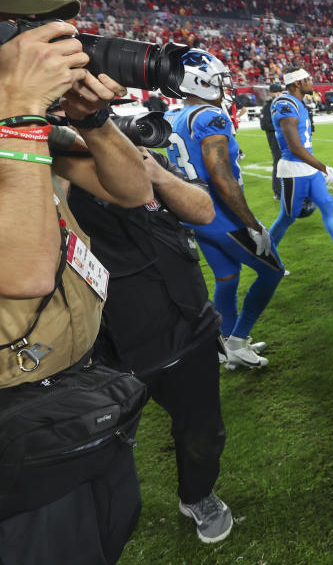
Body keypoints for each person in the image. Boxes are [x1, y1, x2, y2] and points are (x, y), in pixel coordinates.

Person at [0, 0, 152, 564]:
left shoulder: (22, 121)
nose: (33, 40)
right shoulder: (15, 119)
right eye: (13, 27)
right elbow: (26, 273)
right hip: (16, 424)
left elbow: (134, 189)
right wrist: (16, 116)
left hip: (80, 388)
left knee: (104, 536)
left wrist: (93, 120)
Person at [68, 146, 233, 544]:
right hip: (106, 343)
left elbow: (203, 210)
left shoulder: (141, 157)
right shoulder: (54, 178)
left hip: (186, 327)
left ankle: (197, 495)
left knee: (202, 429)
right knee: (97, 442)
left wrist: (154, 172)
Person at [164, 50, 278, 368]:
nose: (223, 86)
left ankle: (223, 345)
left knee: (227, 277)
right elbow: (222, 176)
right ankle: (238, 341)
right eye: (217, 80)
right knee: (272, 272)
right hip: (220, 215)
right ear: (199, 82)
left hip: (193, 213)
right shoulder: (210, 117)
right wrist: (252, 224)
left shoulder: (173, 116)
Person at [267, 66, 333, 263]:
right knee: (287, 217)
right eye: (308, 79)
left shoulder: (297, 102)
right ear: (297, 83)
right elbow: (295, 147)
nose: (312, 82)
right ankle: (267, 260)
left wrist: (317, 168)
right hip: (294, 170)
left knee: (328, 205)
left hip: (308, 169)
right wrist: (323, 167)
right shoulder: (285, 104)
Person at [261, 82, 284, 199]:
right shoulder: (267, 106)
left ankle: (289, 189)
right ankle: (278, 192)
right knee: (278, 163)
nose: (278, 94)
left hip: (286, 139)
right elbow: (264, 125)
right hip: (275, 140)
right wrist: (280, 126)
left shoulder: (283, 104)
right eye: (275, 92)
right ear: (270, 93)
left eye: (279, 91)